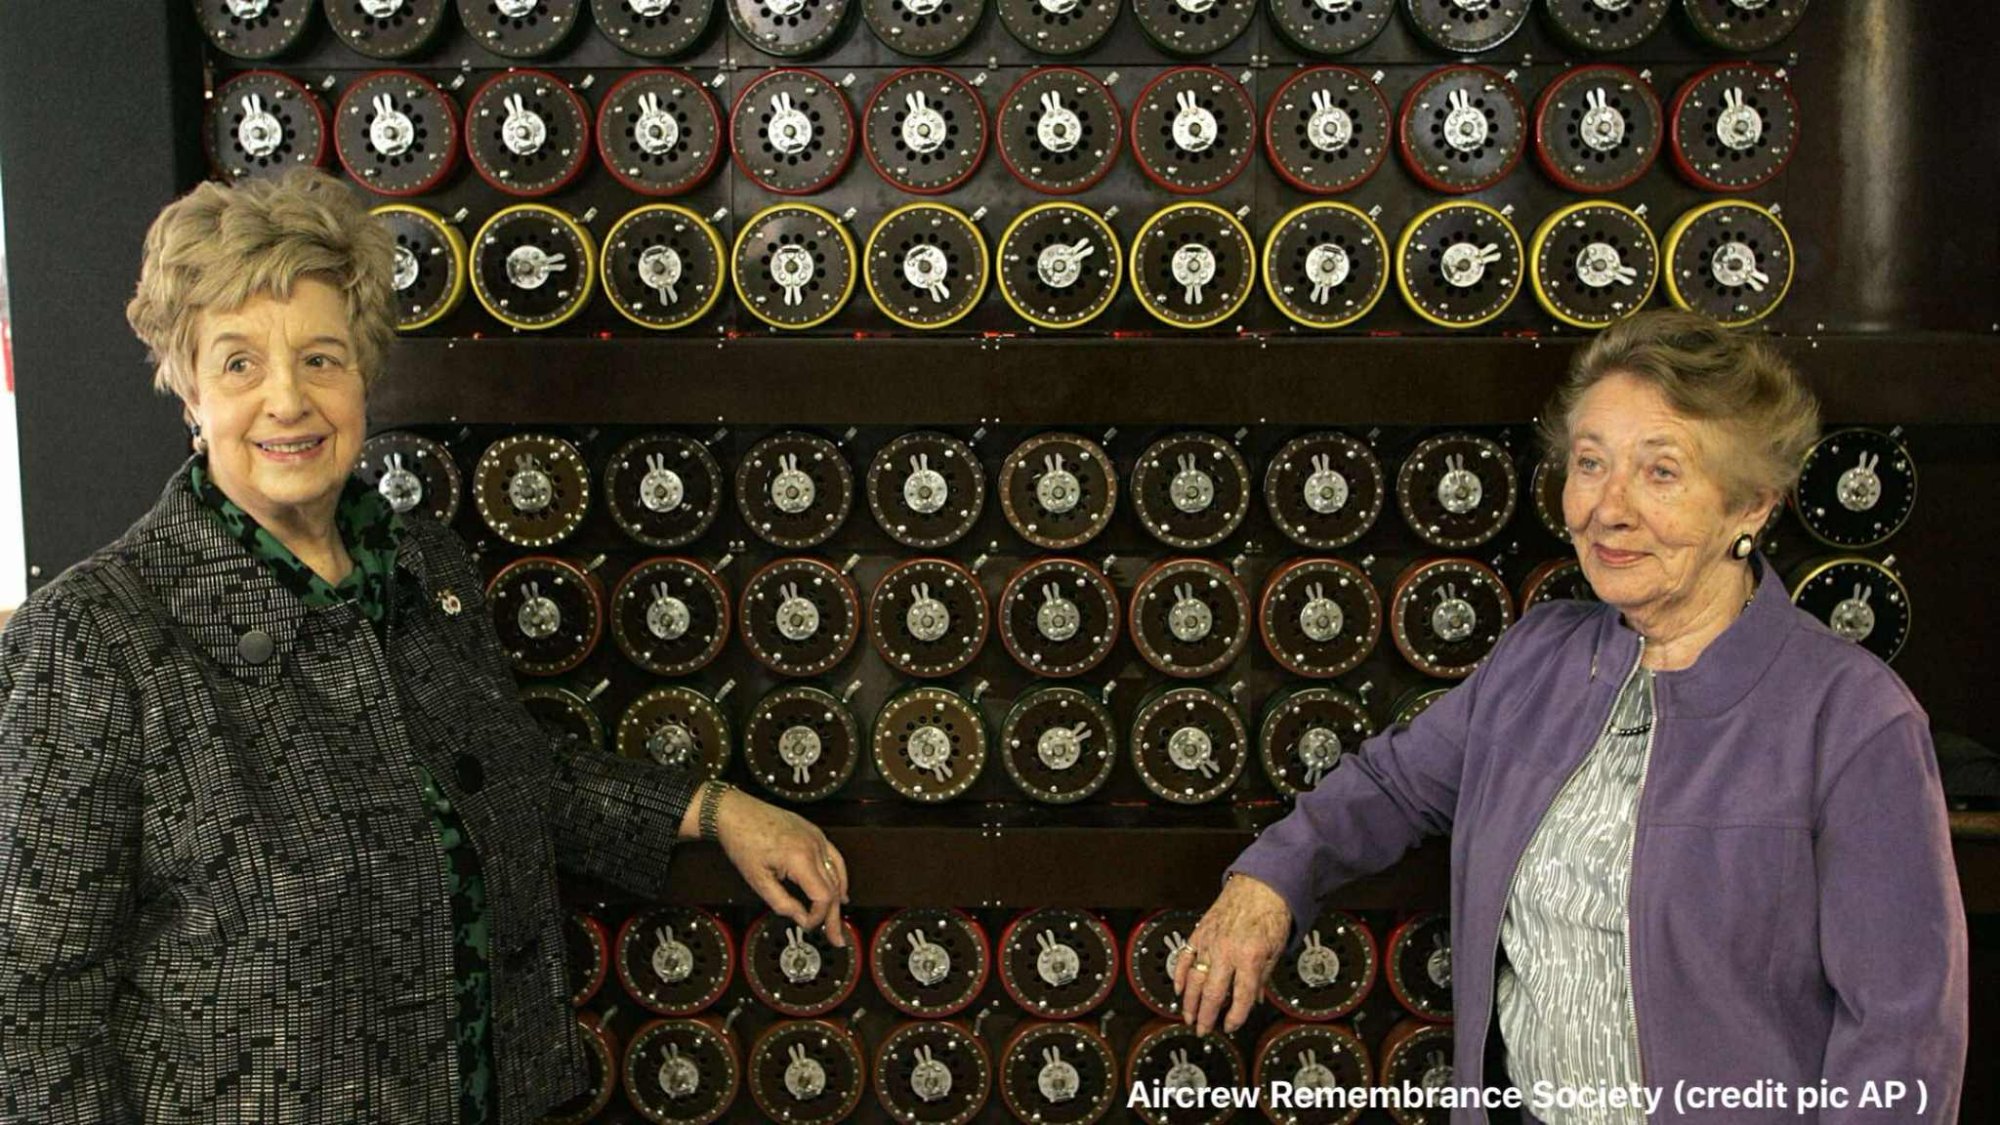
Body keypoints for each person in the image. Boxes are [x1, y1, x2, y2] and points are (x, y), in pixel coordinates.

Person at [0, 168, 850, 1123]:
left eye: (320, 357)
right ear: (189, 393)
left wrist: (716, 809)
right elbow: (36, 1000)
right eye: (239, 363)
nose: (287, 401)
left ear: (364, 373)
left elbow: (505, 772)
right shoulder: (95, 635)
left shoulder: (419, 562)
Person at [1176, 309, 1968, 1122]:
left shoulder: (1852, 716)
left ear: (1752, 505)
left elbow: (1903, 1040)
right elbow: (1393, 782)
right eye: (1590, 463)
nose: (1608, 507)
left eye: (1661, 472)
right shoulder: (1541, 656)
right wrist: (1267, 882)